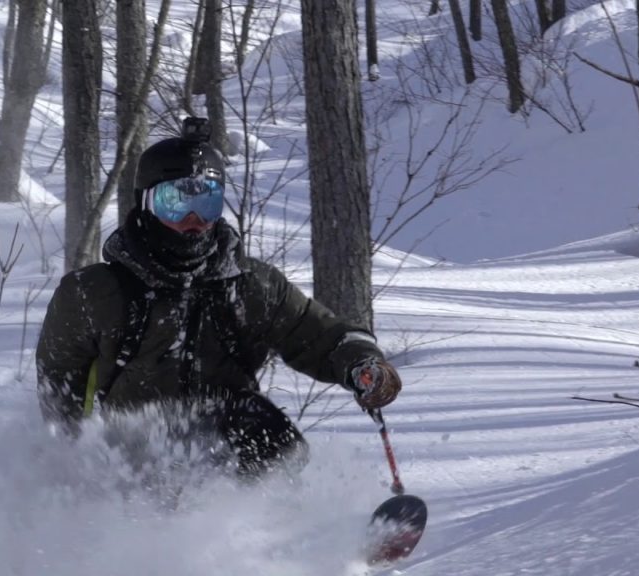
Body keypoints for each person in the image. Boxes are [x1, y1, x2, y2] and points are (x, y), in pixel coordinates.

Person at [36, 117, 402, 478]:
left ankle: (281, 527)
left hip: (229, 442)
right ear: (145, 204)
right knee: (144, 458)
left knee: (268, 429)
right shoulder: (93, 294)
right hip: (132, 454)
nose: (193, 219)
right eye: (174, 202)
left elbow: (323, 337)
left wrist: (363, 364)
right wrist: (75, 468)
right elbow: (61, 391)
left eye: (207, 201)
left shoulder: (249, 285)